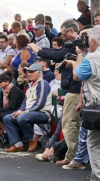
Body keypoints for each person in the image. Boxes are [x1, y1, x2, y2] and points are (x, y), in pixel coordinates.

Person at [29, 19, 82, 166]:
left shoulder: (77, 46)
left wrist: (38, 50)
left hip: (75, 89)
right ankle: (69, 155)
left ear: (72, 31)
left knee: (69, 125)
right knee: (68, 124)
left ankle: (72, 157)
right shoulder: (74, 46)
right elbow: (59, 53)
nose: (63, 37)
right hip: (72, 89)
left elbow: (59, 54)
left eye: (64, 34)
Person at [64, 25, 100, 179]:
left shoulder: (91, 58)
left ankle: (97, 176)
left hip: (96, 106)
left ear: (92, 41)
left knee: (94, 143)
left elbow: (77, 76)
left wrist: (79, 56)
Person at [3, 64, 52, 152]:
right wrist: (20, 110)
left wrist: (25, 112)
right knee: (7, 118)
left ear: (39, 73)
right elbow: (25, 102)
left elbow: (40, 103)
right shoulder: (30, 85)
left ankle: (32, 138)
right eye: (28, 72)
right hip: (29, 113)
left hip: (42, 113)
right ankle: (18, 144)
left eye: (32, 72)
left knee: (22, 118)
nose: (29, 74)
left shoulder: (43, 84)